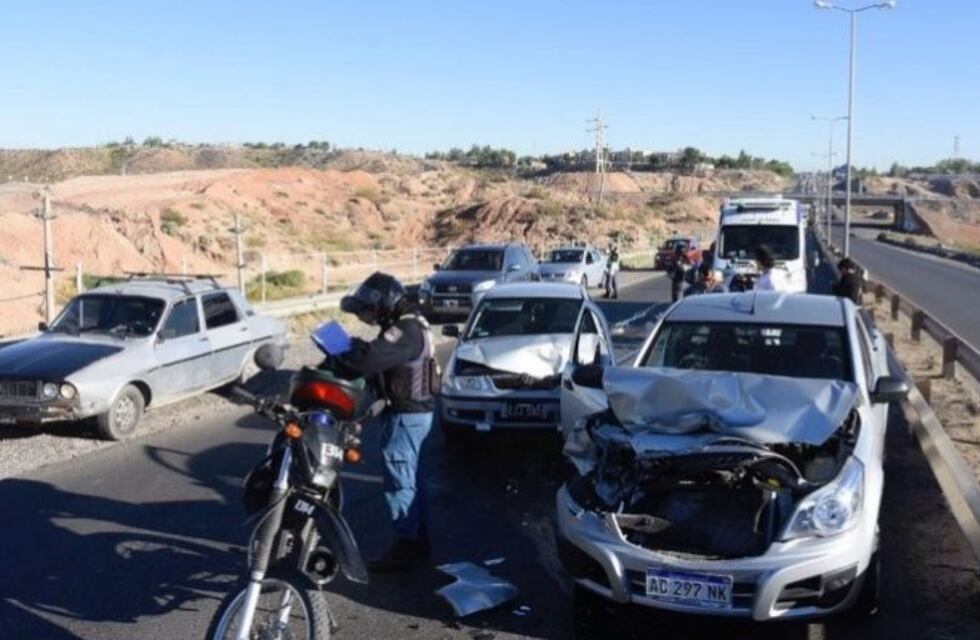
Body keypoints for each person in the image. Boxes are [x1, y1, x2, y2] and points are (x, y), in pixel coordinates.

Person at [333, 272, 439, 572]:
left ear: (384, 303)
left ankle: (406, 545)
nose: (367, 317)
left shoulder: (404, 329)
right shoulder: (410, 324)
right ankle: (417, 540)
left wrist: (342, 352)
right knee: (412, 479)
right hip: (413, 413)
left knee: (401, 481)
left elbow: (369, 361)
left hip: (407, 414)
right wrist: (354, 345)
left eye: (368, 310)